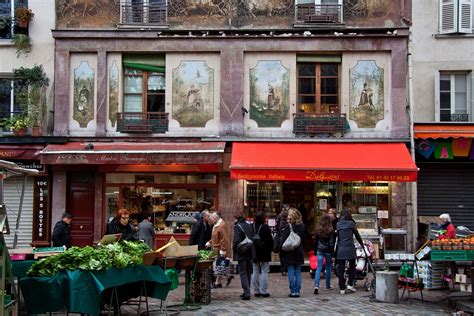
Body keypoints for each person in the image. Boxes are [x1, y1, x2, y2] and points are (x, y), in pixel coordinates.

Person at [336, 208, 364, 295]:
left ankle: (342, 287)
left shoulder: (338, 224)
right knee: (352, 266)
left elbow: (337, 237)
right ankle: (350, 284)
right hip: (350, 248)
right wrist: (361, 243)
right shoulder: (351, 223)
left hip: (341, 248)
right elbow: (357, 235)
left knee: (341, 268)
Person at [280, 208, 306, 298]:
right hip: (299, 250)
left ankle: (293, 290)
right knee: (298, 271)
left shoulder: (288, 226)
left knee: (291, 270)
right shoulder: (302, 226)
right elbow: (304, 238)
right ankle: (297, 290)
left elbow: (283, 240)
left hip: (289, 251)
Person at [232, 212, 256, 300]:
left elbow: (236, 240)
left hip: (242, 252)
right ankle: (247, 290)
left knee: (243, 273)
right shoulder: (249, 226)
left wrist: (234, 250)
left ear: (237, 219)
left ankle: (246, 292)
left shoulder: (237, 227)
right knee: (248, 272)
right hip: (250, 251)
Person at [207, 212, 232, 288]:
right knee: (219, 265)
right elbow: (215, 237)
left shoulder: (222, 225)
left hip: (219, 248)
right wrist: (210, 242)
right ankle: (226, 277)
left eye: (212, 218)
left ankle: (218, 282)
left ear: (217, 218)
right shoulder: (216, 225)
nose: (211, 219)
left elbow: (224, 238)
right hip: (215, 248)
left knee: (218, 265)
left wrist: (223, 250)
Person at [251, 211, 273, 298]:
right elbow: (270, 240)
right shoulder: (265, 227)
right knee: (264, 271)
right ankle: (263, 290)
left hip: (254, 251)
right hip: (264, 251)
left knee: (255, 270)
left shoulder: (251, 226)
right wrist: (271, 249)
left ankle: (256, 290)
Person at [313, 213, 336, 294]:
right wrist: (332, 252)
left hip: (320, 250)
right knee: (328, 267)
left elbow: (315, 241)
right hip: (328, 251)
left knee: (318, 267)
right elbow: (331, 243)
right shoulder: (331, 230)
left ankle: (316, 285)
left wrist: (315, 251)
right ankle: (327, 285)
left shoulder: (318, 229)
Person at [275, 208, 289, 276]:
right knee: (287, 254)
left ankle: (283, 269)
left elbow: (276, 226)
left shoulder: (279, 217)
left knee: (282, 255)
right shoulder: (289, 219)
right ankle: (286, 268)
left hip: (281, 239)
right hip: (288, 239)